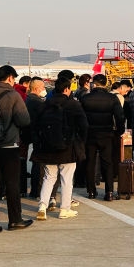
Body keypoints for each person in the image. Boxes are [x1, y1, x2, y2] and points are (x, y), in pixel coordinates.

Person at [0, 65, 33, 235]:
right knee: (12, 184)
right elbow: (24, 120)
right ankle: (15, 220)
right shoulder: (13, 95)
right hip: (9, 146)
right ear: (10, 77)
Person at [33, 71, 88, 221]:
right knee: (67, 179)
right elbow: (84, 126)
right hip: (68, 147)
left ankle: (42, 206)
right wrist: (80, 142)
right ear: (66, 89)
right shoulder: (73, 104)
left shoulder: (44, 104)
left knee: (49, 177)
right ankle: (65, 209)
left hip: (47, 147)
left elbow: (36, 126)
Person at [81, 74, 124, 200]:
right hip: (107, 134)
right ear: (106, 84)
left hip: (90, 134)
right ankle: (109, 192)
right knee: (107, 163)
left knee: (90, 162)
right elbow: (119, 117)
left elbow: (80, 117)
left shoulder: (85, 98)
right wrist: (119, 132)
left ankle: (91, 191)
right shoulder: (112, 98)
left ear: (94, 83)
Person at [24, 77, 48, 200]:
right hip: (37, 135)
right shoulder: (37, 102)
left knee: (35, 163)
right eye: (43, 87)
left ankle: (34, 190)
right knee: (39, 164)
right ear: (37, 88)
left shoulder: (28, 99)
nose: (44, 89)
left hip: (29, 133)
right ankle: (37, 190)